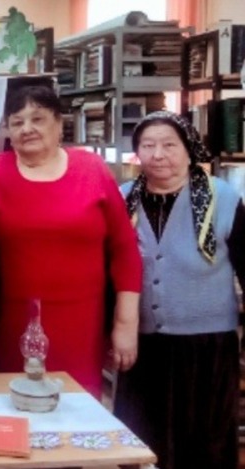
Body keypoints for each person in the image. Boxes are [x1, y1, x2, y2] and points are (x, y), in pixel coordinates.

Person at [0, 85, 142, 399]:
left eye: (37, 119)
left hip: (82, 321)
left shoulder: (92, 169)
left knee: (77, 407)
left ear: (59, 124)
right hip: (12, 321)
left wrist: (125, 322)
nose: (27, 129)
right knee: (16, 405)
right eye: (17, 122)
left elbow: (125, 250)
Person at [114, 111, 245, 469]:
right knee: (143, 440)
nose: (158, 155)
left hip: (207, 346)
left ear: (189, 149)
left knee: (203, 443)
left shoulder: (223, 197)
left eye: (169, 145)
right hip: (143, 344)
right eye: (147, 145)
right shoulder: (123, 198)